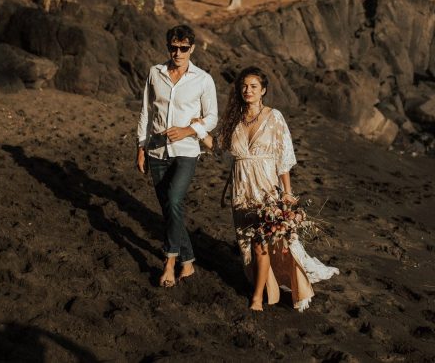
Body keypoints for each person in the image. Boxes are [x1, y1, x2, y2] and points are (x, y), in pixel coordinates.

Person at [209, 66, 338, 311]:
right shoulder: (233, 120)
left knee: (261, 243)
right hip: (242, 190)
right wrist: (190, 130)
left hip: (267, 188)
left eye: (253, 86)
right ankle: (265, 285)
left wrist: (287, 193)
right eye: (244, 86)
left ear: (263, 90)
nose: (248, 90)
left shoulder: (274, 117)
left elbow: (283, 158)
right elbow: (216, 145)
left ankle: (258, 297)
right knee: (246, 243)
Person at [136, 25, 217, 288]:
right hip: (157, 151)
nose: (178, 52)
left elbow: (212, 117)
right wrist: (140, 147)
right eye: (173, 47)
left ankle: (169, 263)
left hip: (186, 152)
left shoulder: (203, 79)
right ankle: (189, 260)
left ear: (192, 48)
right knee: (171, 209)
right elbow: (146, 113)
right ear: (168, 47)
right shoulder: (155, 73)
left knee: (173, 200)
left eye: (183, 48)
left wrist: (188, 130)